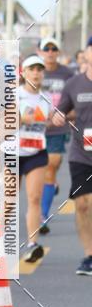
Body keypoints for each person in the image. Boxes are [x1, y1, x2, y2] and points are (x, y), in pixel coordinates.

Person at [54, 38, 92, 274]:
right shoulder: (74, 84)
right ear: (86, 53)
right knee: (83, 205)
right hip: (81, 154)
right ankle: (89, 255)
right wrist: (58, 117)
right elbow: (60, 111)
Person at [18, 56, 52, 263]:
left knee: (34, 198)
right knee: (8, 202)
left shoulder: (46, 98)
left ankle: (32, 245)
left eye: (40, 69)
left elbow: (52, 119)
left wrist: (56, 120)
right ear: (24, 73)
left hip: (37, 151)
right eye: (32, 69)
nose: (36, 73)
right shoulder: (14, 95)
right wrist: (21, 119)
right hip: (12, 152)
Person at [38, 37, 73, 234]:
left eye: (54, 49)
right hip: (33, 130)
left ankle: (43, 215)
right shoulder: (32, 70)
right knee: (39, 171)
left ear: (58, 52)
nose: (50, 52)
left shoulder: (67, 74)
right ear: (40, 51)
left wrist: (65, 115)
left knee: (51, 167)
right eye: (47, 49)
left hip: (57, 130)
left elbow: (74, 101)